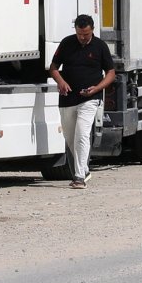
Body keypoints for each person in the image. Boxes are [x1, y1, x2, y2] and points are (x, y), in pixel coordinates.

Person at [49, 14, 115, 189]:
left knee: (82, 134)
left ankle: (78, 178)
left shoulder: (100, 46)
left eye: (85, 34)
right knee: (70, 138)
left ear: (92, 30)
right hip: (68, 98)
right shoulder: (66, 43)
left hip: (90, 98)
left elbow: (110, 73)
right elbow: (53, 68)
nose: (82, 38)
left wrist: (97, 88)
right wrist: (61, 82)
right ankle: (84, 169)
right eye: (79, 34)